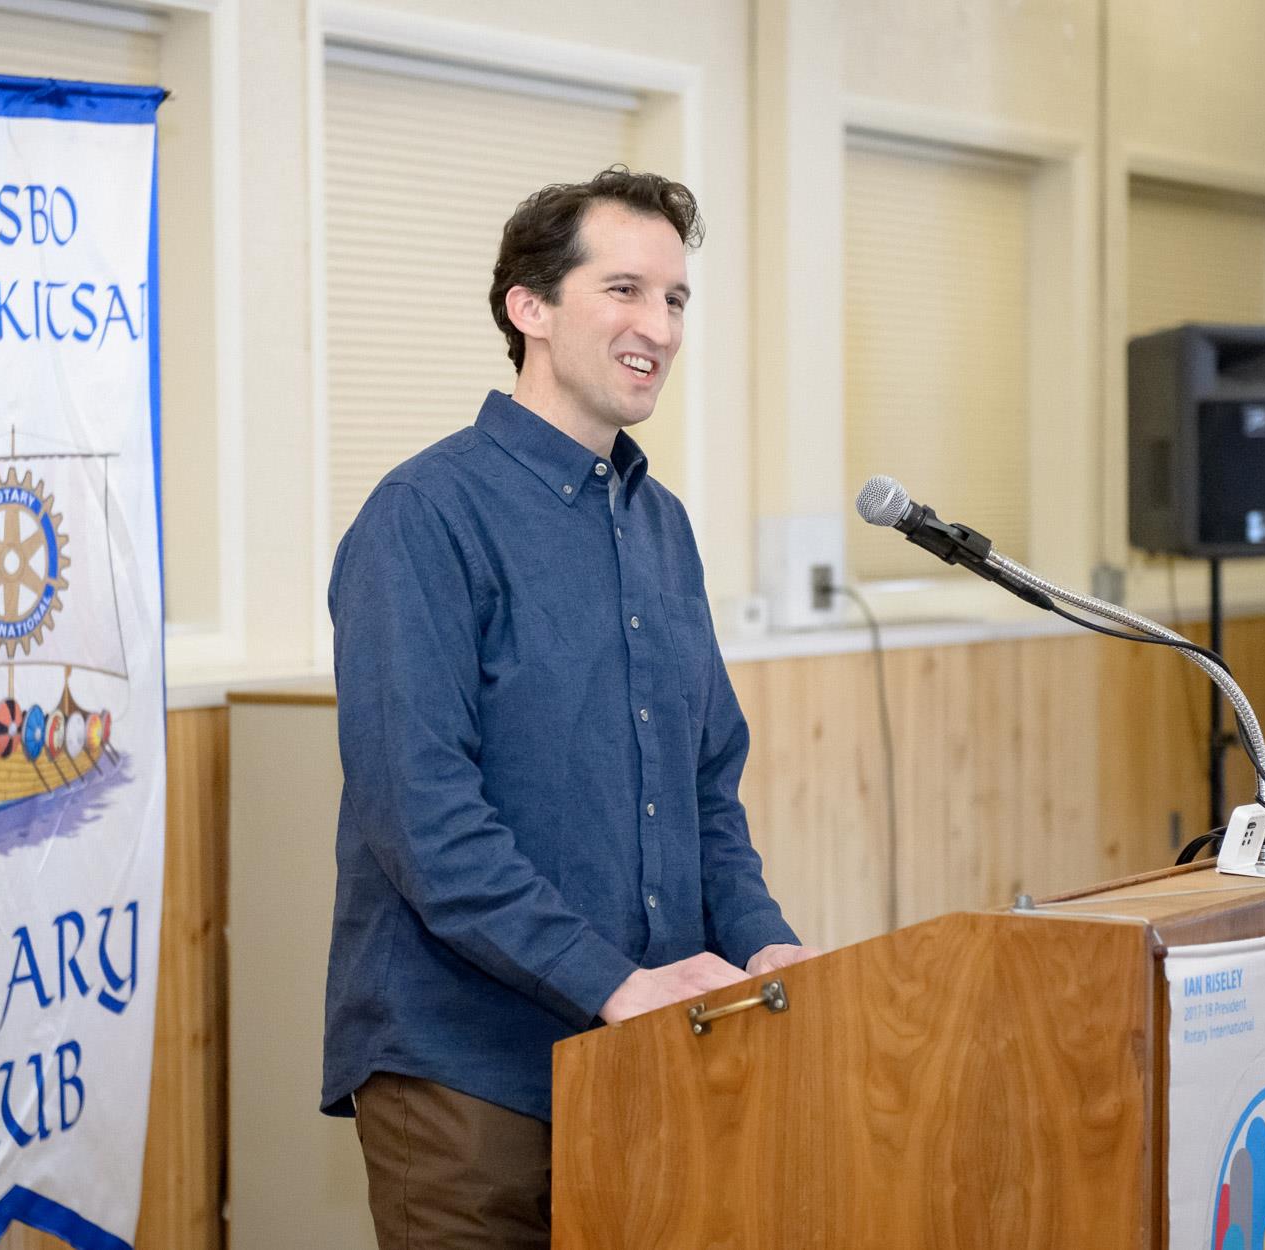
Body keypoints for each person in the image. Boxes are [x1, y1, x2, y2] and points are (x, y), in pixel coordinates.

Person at [321, 166, 818, 1249]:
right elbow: (423, 817)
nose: (661, 328)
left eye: (675, 298)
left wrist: (764, 945)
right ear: (530, 308)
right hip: (469, 1074)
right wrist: (612, 982)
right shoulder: (423, 515)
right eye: (624, 290)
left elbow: (705, 791)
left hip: (647, 1058)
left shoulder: (662, 525)